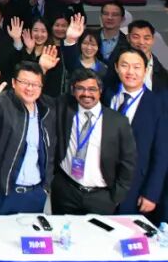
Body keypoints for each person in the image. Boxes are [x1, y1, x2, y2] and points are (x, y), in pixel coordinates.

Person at [51, 68, 136, 215]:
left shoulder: (118, 121)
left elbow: (128, 161)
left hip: (101, 197)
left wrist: (117, 197)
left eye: (92, 89)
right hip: (66, 191)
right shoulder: (64, 108)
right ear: (73, 91)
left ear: (100, 91)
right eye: (80, 88)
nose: (86, 94)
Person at [0, 63, 57, 214]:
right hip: (3, 192)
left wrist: (45, 187)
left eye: (35, 84)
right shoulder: (3, 102)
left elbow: (51, 150)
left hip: (35, 194)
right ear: (14, 83)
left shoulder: (47, 109)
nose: (30, 88)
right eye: (24, 82)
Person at [106, 48, 168, 219]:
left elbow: (162, 153)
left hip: (136, 188)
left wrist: (151, 193)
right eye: (125, 65)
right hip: (101, 187)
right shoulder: (107, 96)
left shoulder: (158, 104)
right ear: (116, 67)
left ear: (146, 70)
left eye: (136, 67)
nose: (130, 72)